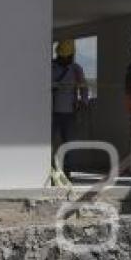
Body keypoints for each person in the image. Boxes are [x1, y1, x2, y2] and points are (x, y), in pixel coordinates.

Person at [51, 39, 89, 175]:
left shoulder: (76, 69)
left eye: (68, 56)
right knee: (48, 143)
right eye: (64, 56)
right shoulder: (51, 67)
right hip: (51, 113)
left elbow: (84, 87)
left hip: (70, 113)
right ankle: (49, 169)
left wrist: (83, 102)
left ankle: (66, 170)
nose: (66, 59)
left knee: (68, 143)